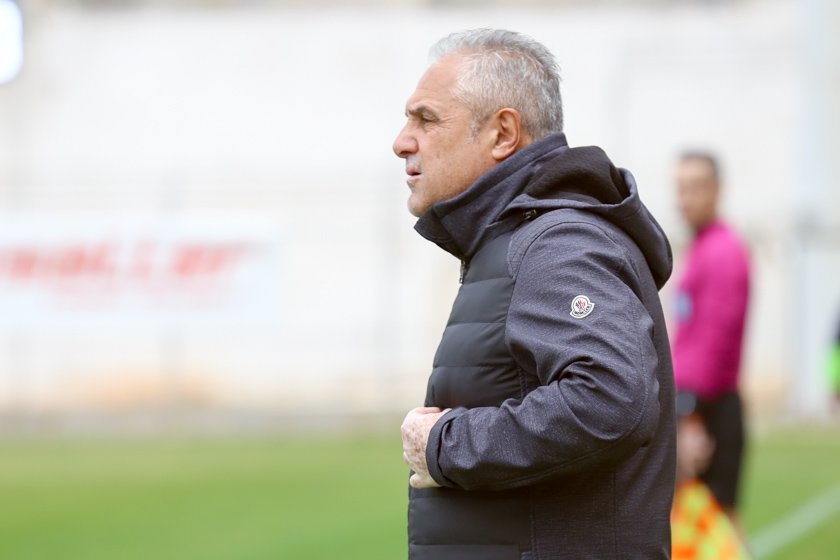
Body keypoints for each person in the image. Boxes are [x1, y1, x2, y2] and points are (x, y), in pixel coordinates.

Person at [395, 29, 676, 559]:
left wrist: (447, 445)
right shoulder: (519, 239)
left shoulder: (556, 244)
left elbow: (611, 399)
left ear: (503, 133)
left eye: (426, 119)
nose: (402, 141)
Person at [672, 151, 750, 532]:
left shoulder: (722, 252)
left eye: (696, 187)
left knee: (716, 533)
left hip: (709, 410)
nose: (686, 198)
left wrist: (689, 416)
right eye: (681, 188)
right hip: (698, 405)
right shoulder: (702, 248)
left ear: (717, 190)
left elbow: (713, 344)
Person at [671, 393, 750, 560]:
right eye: (691, 431)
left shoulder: (699, 499)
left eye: (702, 431)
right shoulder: (652, 501)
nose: (703, 442)